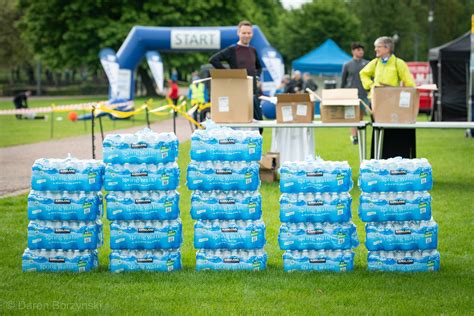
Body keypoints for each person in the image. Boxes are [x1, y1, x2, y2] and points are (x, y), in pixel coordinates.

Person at [360, 36, 416, 159]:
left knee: (393, 134)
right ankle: (378, 159)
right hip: (377, 103)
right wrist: (371, 85)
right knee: (378, 131)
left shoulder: (398, 63)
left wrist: (408, 94)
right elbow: (363, 73)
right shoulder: (375, 63)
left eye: (378, 47)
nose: (375, 49)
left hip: (393, 105)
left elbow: (409, 82)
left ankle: (396, 159)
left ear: (387, 48)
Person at [209, 20, 263, 128]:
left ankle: (256, 145)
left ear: (252, 34)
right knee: (239, 127)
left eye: (249, 33)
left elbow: (259, 67)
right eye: (244, 33)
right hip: (238, 93)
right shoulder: (232, 50)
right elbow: (214, 60)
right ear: (238, 33)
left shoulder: (253, 50)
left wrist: (257, 77)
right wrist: (230, 75)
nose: (246, 35)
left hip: (253, 93)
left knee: (259, 126)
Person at [341, 42, 369, 145]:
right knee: (352, 117)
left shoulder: (367, 64)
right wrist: (342, 94)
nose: (361, 52)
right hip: (350, 95)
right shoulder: (347, 65)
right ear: (353, 51)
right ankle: (354, 137)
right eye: (358, 50)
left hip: (363, 94)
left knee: (360, 117)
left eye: (362, 50)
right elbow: (343, 81)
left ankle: (360, 136)